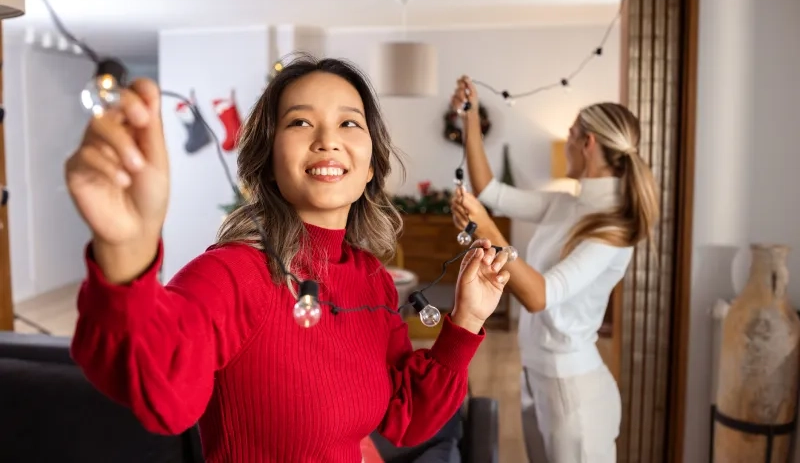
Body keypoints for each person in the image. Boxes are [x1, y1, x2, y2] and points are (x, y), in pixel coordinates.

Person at [63, 58, 512, 463]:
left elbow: (406, 417)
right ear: (269, 159)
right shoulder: (235, 274)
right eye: (300, 122)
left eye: (349, 124)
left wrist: (467, 318)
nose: (327, 141)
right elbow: (163, 392)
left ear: (372, 163)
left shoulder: (370, 278)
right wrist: (127, 249)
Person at [447, 76, 659, 463]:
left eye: (572, 132)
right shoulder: (566, 204)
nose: (567, 138)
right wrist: (471, 116)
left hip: (573, 392)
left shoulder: (614, 228)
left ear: (588, 144)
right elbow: (490, 190)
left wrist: (488, 230)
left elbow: (541, 296)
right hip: (536, 376)